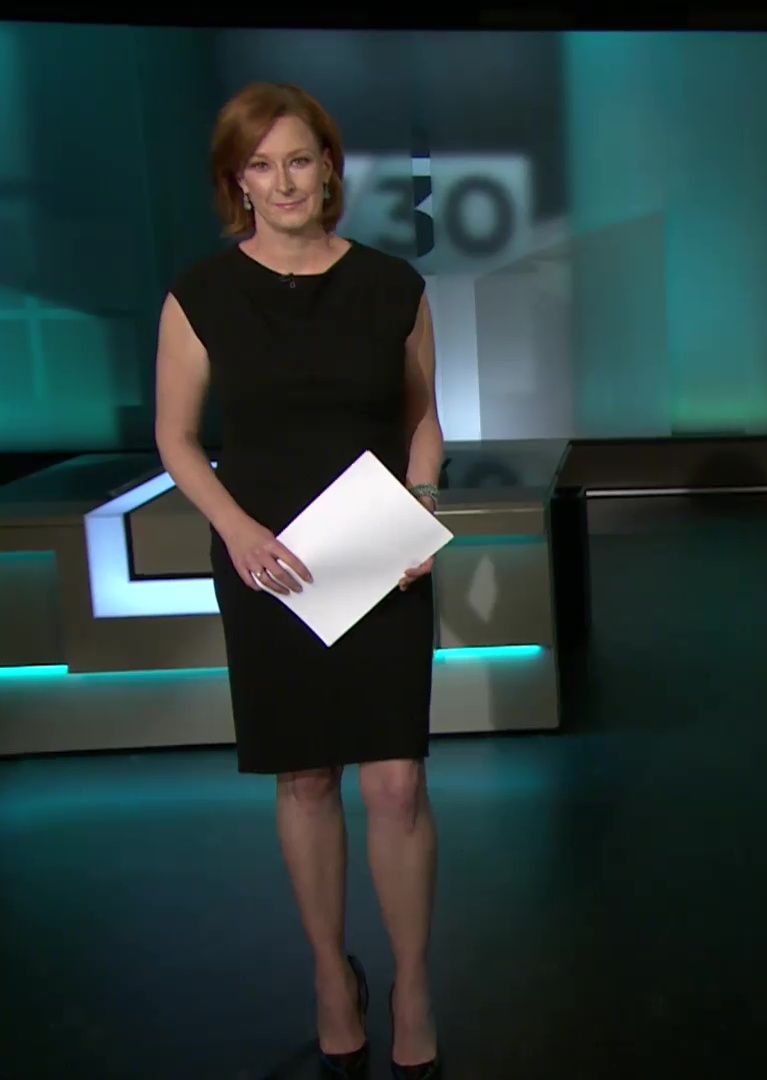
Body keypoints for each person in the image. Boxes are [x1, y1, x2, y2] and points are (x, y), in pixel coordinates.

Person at [153, 82, 443, 1079]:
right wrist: (236, 529)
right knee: (307, 774)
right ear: (238, 181)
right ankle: (330, 976)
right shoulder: (200, 295)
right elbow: (176, 437)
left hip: (380, 560)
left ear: (329, 170)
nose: (282, 182)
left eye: (299, 161)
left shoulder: (393, 286)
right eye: (261, 166)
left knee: (397, 782)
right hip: (270, 560)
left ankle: (412, 984)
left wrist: (422, 508)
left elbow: (421, 419)